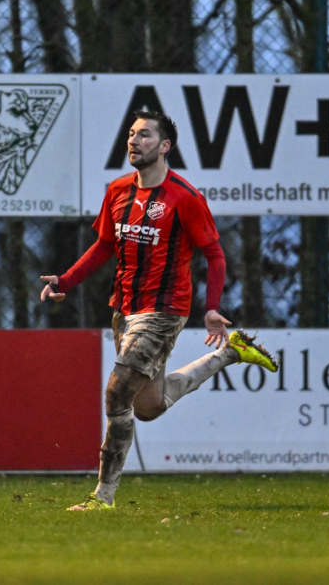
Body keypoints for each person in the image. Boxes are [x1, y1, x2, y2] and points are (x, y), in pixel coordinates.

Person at [40, 110, 278, 511]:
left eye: (145, 135)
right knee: (147, 408)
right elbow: (103, 246)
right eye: (131, 134)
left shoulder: (184, 196)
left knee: (116, 391)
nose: (134, 141)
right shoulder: (117, 191)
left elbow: (215, 256)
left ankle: (103, 497)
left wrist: (213, 308)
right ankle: (231, 352)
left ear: (165, 146)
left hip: (164, 311)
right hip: (125, 309)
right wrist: (65, 282)